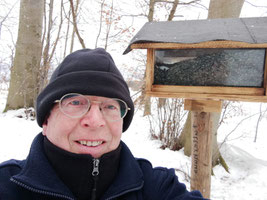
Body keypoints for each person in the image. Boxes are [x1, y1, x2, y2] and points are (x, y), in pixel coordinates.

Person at [0, 48, 207, 200]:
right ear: (46, 120)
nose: (95, 121)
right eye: (76, 102)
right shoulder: (7, 185)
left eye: (109, 107)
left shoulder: (157, 187)